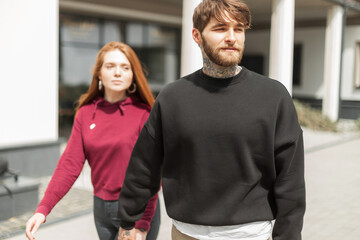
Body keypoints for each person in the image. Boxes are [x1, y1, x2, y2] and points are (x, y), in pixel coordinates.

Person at [117, 0, 306, 239]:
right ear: (197, 35)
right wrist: (128, 221)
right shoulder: (173, 97)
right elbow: (144, 165)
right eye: (220, 28)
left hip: (249, 235)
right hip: (186, 233)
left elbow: (291, 179)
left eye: (238, 29)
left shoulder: (273, 96)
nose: (231, 37)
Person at [25, 41, 160, 240]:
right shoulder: (86, 113)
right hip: (101, 209)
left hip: (135, 210)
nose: (117, 73)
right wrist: (43, 209)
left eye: (125, 67)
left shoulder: (144, 114)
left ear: (133, 75)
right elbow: (69, 165)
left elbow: (152, 172)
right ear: (99, 73)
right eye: (110, 66)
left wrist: (141, 225)